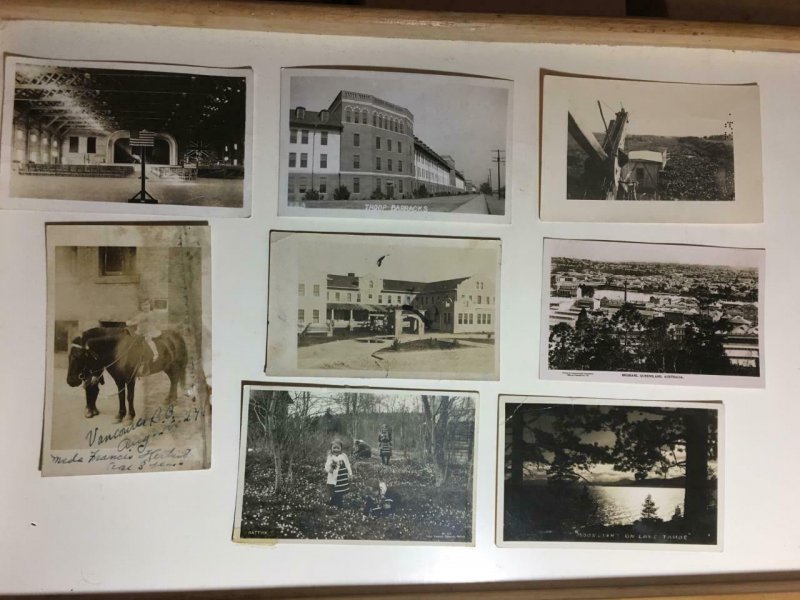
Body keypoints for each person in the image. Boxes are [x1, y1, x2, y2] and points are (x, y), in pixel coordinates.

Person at [126, 299, 161, 370]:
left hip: (150, 331)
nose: (145, 307)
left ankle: (155, 353)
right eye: (143, 305)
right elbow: (133, 320)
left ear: (150, 305)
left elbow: (152, 322)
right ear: (141, 306)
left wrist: (135, 322)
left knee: (148, 340)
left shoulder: (151, 314)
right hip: (140, 332)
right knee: (131, 339)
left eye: (147, 304)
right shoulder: (140, 315)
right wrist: (128, 322)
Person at [324, 440, 352, 508]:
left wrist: (350, 474)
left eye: (338, 448)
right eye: (334, 448)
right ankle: (334, 502)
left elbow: (348, 465)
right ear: (331, 448)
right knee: (334, 490)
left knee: (340, 490)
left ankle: (339, 504)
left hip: (342, 477)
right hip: (334, 478)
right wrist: (330, 468)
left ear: (341, 449)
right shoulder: (330, 457)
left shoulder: (344, 456)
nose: (336, 450)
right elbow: (326, 466)